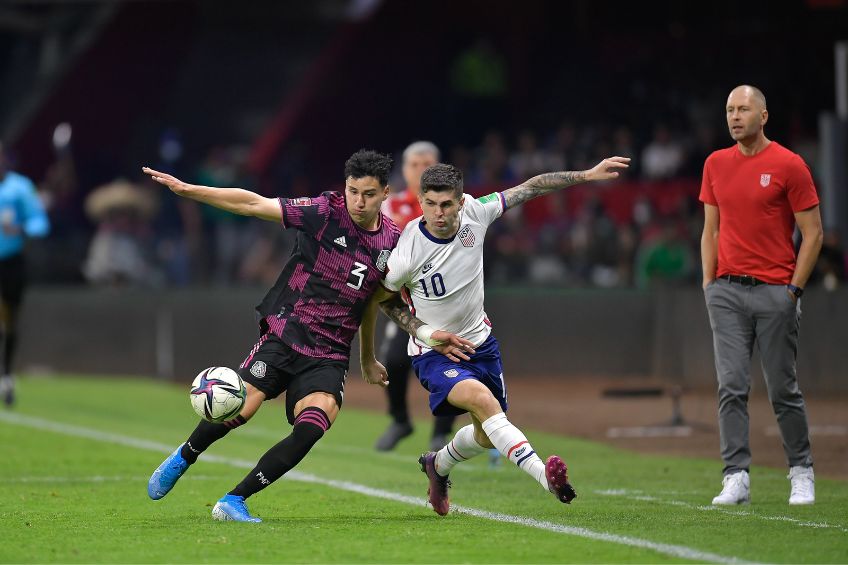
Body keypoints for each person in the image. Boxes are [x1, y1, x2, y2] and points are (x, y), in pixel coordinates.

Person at [142, 150, 474, 522]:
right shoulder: (323, 212)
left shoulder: (393, 243)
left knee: (314, 424)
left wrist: (367, 356)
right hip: (287, 332)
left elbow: (376, 302)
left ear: (385, 193)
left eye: (368, 194)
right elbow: (253, 203)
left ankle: (234, 500)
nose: (358, 202)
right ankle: (185, 455)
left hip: (330, 353)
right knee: (242, 405)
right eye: (352, 191)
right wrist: (189, 190)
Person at [359, 156, 630, 515]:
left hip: (481, 344)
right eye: (430, 204)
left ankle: (437, 465)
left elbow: (530, 187)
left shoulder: (477, 211)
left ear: (460, 200)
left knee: (488, 434)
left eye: (446, 204)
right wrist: (424, 332)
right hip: (435, 354)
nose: (438, 213)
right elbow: (381, 299)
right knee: (485, 403)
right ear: (421, 200)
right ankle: (544, 477)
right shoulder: (406, 250)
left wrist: (587, 174)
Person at [700, 85, 823, 506]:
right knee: (731, 386)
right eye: (730, 109)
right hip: (727, 292)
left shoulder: (790, 165)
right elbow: (710, 229)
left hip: (776, 292)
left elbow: (813, 233)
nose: (735, 117)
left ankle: (801, 471)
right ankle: (736, 477)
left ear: (764, 116)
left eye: (744, 109)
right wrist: (709, 283)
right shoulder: (715, 163)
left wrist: (793, 290)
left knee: (783, 389)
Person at [375, 141, 456, 451]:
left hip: (448, 298)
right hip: (409, 300)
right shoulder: (389, 205)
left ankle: (441, 431)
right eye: (415, 165)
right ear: (404, 170)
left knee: (452, 363)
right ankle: (400, 420)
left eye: (428, 164)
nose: (422, 170)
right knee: (395, 360)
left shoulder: (453, 204)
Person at [0, 141, 50, 407]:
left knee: (10, 321)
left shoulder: (19, 188)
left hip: (9, 262)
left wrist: (20, 227)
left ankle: (6, 374)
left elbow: (40, 222)